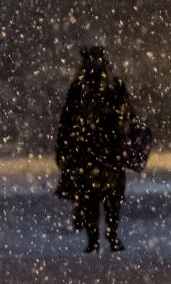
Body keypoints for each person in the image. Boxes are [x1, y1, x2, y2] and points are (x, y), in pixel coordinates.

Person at [55, 46, 133, 253]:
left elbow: (67, 121)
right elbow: (127, 115)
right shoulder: (113, 86)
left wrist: (64, 149)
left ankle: (96, 239)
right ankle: (110, 235)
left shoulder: (80, 88)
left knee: (91, 196)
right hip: (108, 150)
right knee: (110, 197)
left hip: (88, 150)